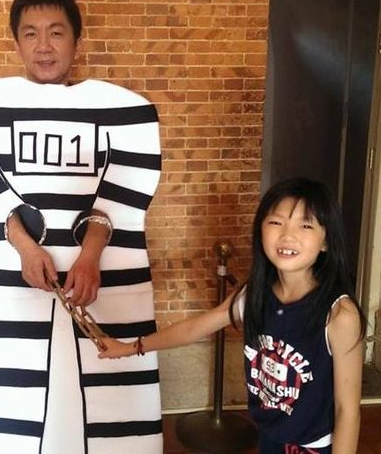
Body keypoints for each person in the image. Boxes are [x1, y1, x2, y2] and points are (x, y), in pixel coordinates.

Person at [0, 0, 163, 454]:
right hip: (13, 283)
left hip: (101, 275)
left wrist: (91, 256)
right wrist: (24, 245)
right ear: (16, 42)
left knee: (111, 387)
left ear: (77, 40)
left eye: (56, 33)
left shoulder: (127, 112)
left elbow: (123, 194)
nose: (44, 46)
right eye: (31, 33)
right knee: (14, 390)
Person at [99, 177, 366, 454]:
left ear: (326, 241)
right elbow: (194, 328)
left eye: (306, 225)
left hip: (312, 446)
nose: (288, 235)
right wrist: (129, 348)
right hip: (270, 434)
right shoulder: (255, 294)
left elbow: (347, 410)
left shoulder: (339, 314)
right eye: (276, 222)